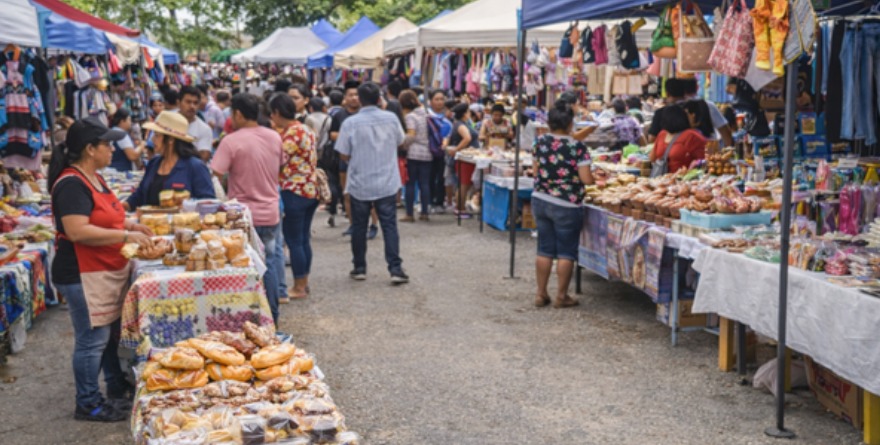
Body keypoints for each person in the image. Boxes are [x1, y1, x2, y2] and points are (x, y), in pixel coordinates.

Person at [49, 117, 153, 422]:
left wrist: (131, 224)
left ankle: (115, 388)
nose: (113, 149)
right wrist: (124, 235)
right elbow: (78, 230)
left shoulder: (95, 177)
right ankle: (88, 402)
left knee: (108, 336)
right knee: (91, 339)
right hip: (81, 273)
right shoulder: (71, 184)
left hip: (104, 270)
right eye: (107, 144)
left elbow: (107, 216)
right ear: (90, 149)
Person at [212, 94, 284, 324]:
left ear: (239, 114)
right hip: (270, 211)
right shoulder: (274, 137)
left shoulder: (231, 141)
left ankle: (247, 319)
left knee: (242, 268)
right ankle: (272, 317)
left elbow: (215, 176)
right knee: (269, 264)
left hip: (242, 216)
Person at [335, 82, 408, 284]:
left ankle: (359, 267)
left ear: (359, 99)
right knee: (389, 225)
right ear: (378, 99)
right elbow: (401, 141)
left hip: (360, 181)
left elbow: (343, 153)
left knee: (359, 226)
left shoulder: (350, 123)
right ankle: (395, 268)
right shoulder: (391, 118)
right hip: (386, 181)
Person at [532, 102, 594, 309]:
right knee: (566, 251)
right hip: (567, 203)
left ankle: (541, 294)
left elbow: (535, 171)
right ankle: (561, 296)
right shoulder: (578, 147)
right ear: (570, 124)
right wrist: (595, 179)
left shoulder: (539, 142)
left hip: (541, 199)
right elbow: (586, 179)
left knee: (544, 248)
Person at [269, 93, 318, 300]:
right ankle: (303, 282)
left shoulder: (291, 135)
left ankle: (299, 286)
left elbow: (278, 161)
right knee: (303, 239)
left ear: (278, 113)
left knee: (294, 240)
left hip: (294, 191)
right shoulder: (306, 128)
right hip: (310, 189)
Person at [125, 112, 216, 210]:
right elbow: (139, 195)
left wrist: (187, 206)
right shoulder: (154, 163)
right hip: (150, 223)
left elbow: (208, 204)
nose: (152, 139)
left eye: (157, 135)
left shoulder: (195, 167)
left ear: (171, 140)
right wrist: (123, 206)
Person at [331, 81, 378, 238]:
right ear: (345, 98)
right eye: (350, 95)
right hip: (345, 160)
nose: (354, 98)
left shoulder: (368, 115)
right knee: (347, 194)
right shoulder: (339, 115)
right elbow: (332, 134)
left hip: (367, 160)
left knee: (371, 195)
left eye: (357, 95)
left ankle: (373, 225)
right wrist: (347, 136)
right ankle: (353, 224)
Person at [400, 90, 432, 222]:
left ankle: (409, 214)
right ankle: (425, 212)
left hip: (413, 153)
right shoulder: (426, 114)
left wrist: (403, 144)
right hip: (428, 152)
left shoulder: (410, 117)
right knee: (425, 183)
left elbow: (411, 135)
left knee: (410, 183)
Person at [650, 105, 707, 174]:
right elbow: (703, 161)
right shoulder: (692, 136)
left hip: (664, 179)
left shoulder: (662, 134)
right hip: (683, 181)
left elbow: (652, 158)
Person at [447, 103, 479, 216]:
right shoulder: (460, 125)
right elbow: (467, 138)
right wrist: (456, 149)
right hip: (465, 159)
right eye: (468, 111)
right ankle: (460, 209)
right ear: (465, 113)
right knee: (464, 184)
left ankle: (460, 207)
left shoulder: (463, 124)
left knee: (465, 184)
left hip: (468, 158)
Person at [426, 89, 451, 213]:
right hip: (429, 151)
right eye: (437, 99)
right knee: (429, 177)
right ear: (430, 101)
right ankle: (430, 202)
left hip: (443, 152)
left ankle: (440, 202)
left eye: (442, 99)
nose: (440, 102)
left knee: (441, 177)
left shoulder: (447, 117)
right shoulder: (427, 116)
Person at [323, 89, 345, 228]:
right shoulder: (345, 114)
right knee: (342, 180)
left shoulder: (329, 115)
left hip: (330, 153)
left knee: (333, 180)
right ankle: (344, 206)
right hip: (342, 153)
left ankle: (332, 209)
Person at [179, 86, 214, 162]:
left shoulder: (205, 129)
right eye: (188, 102)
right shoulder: (167, 121)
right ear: (179, 102)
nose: (192, 106)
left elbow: (203, 158)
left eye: (195, 103)